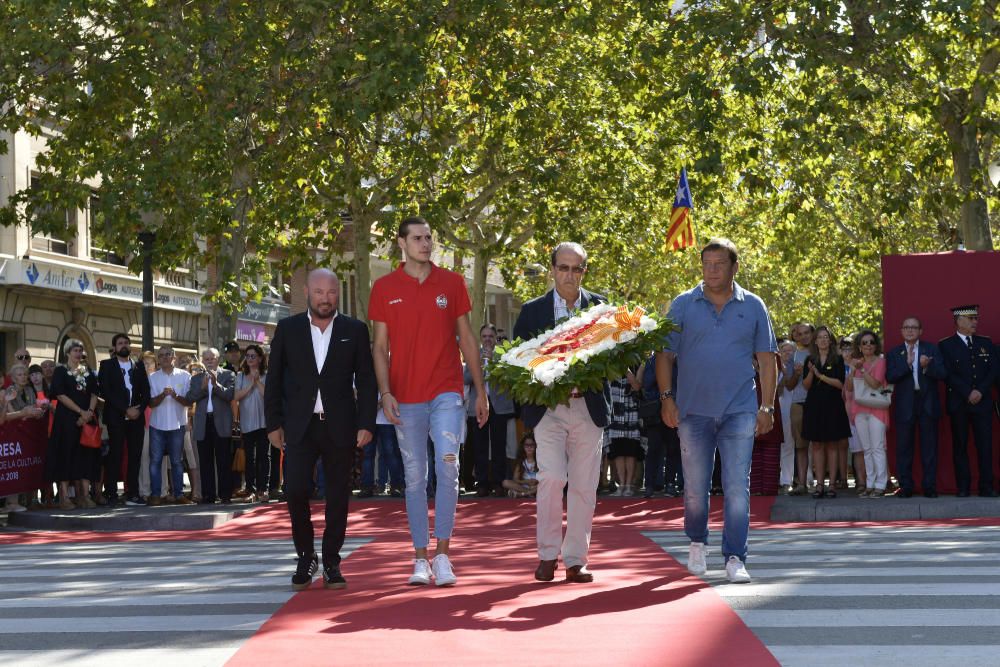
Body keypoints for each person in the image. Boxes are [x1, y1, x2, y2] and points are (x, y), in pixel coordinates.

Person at [370, 217, 488, 587]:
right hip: (405, 396)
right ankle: (420, 557)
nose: (426, 243)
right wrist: (385, 392)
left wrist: (481, 391)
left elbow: (467, 338)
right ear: (401, 243)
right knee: (415, 477)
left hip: (447, 392)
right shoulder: (384, 287)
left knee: (448, 465)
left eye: (429, 237)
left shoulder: (452, 283)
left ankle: (443, 555)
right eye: (418, 238)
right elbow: (379, 346)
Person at [656, 238, 777, 584]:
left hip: (740, 409)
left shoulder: (753, 305)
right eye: (706, 263)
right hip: (693, 412)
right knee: (695, 486)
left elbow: (767, 360)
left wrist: (766, 406)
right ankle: (697, 542)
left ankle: (735, 556)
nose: (711, 270)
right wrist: (667, 397)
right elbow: (664, 355)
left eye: (719, 263)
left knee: (737, 485)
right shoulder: (682, 304)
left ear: (734, 267)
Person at [265, 268, 377, 591]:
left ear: (337, 293)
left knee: (338, 495)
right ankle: (305, 554)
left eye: (331, 292)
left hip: (340, 426)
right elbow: (273, 380)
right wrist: (273, 423)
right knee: (295, 489)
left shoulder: (354, 330)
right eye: (318, 292)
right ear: (306, 292)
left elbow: (366, 381)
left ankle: (331, 559)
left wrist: (366, 422)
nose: (325, 298)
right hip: (299, 426)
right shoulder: (287, 329)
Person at [513, 241, 609, 584]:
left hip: (588, 405)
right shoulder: (532, 312)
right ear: (553, 269)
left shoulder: (601, 308)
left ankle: (575, 560)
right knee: (551, 477)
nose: (570, 275)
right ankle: (547, 555)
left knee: (584, 486)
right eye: (564, 268)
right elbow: (518, 361)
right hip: (548, 409)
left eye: (577, 268)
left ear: (585, 271)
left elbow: (614, 356)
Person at [939, 305, 997, 497]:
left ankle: (986, 486)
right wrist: (967, 392)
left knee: (985, 445)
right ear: (959, 321)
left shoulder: (985, 343)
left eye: (976, 318)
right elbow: (947, 373)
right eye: (971, 318)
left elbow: (994, 370)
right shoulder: (946, 345)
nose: (975, 322)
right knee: (960, 446)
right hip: (959, 403)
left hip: (983, 402)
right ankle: (963, 487)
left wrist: (979, 390)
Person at [885, 318, 947, 497]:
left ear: (921, 330)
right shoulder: (895, 352)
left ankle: (929, 486)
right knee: (904, 448)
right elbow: (890, 376)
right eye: (906, 327)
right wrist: (908, 365)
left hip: (928, 404)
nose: (910, 330)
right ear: (901, 330)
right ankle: (906, 486)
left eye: (914, 327)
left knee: (929, 448)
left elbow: (943, 374)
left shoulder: (932, 349)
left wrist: (927, 367)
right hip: (905, 405)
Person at [46, 339, 100, 510]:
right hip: (66, 420)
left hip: (86, 420)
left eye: (80, 350)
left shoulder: (88, 371)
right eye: (75, 350)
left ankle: (84, 496)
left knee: (85, 456)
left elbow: (94, 393)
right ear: (68, 352)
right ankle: (64, 497)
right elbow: (60, 395)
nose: (78, 353)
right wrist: (80, 412)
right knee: (66, 456)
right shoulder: (61, 371)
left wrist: (88, 413)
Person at [98, 333, 150, 506]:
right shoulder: (106, 365)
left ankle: (132, 493)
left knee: (135, 456)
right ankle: (112, 493)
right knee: (115, 455)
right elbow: (105, 391)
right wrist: (125, 409)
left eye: (126, 342)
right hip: (116, 417)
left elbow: (146, 393)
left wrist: (138, 410)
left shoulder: (139, 366)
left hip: (136, 418)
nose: (124, 345)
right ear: (115, 347)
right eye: (120, 343)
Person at [464, 323, 516, 497]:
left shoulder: (504, 356)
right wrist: (479, 364)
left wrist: (493, 361)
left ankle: (499, 482)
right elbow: (465, 378)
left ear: (495, 338)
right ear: (481, 338)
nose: (487, 340)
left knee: (499, 446)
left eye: (490, 336)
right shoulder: (474, 355)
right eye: (484, 336)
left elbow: (509, 378)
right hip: (478, 406)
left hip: (499, 407)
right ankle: (482, 483)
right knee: (479, 446)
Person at [801, 326, 852, 498]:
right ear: (815, 341)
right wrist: (811, 372)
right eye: (820, 337)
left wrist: (820, 375)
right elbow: (806, 386)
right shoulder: (810, 359)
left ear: (830, 341)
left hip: (833, 406)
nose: (823, 340)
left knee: (832, 444)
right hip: (814, 406)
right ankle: (819, 484)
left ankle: (832, 485)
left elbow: (839, 384)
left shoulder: (837, 359)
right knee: (816, 445)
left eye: (826, 337)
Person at [186, 347, 236, 504]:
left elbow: (229, 395)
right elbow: (189, 399)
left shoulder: (228, 374)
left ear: (218, 359)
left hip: (221, 422)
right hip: (203, 423)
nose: (209, 361)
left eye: (212, 358)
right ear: (202, 360)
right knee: (205, 461)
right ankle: (208, 495)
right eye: (206, 359)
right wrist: (202, 388)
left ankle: (225, 494)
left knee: (223, 460)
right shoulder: (195, 378)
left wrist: (215, 385)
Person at [844, 330, 890, 498]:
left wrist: (861, 370)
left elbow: (876, 384)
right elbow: (849, 388)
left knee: (877, 448)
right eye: (864, 343)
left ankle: (881, 484)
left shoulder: (881, 362)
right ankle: (870, 483)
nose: (868, 345)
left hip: (877, 408)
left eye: (871, 342)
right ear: (859, 347)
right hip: (859, 409)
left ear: (876, 345)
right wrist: (851, 371)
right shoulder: (857, 363)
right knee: (867, 449)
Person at [147, 347, 194, 506]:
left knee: (177, 461)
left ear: (174, 357)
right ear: (158, 359)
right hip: (157, 425)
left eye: (168, 354)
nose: (165, 357)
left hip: (177, 424)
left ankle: (179, 494)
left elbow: (189, 402)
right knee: (155, 461)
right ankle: (155, 495)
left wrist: (175, 395)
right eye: (161, 355)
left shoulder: (185, 376)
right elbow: (150, 403)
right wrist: (162, 395)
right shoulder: (152, 378)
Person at [235, 343, 270, 502]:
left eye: (253, 356)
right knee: (250, 458)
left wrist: (257, 381)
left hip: (264, 423)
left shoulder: (267, 375)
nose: (249, 358)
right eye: (247, 356)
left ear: (260, 358)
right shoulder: (240, 376)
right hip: (247, 423)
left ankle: (263, 489)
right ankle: (250, 489)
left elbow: (268, 396)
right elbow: (237, 396)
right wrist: (251, 384)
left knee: (263, 457)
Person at [783, 322, 814, 494]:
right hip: (799, 402)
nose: (803, 336)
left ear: (812, 333)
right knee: (800, 445)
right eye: (800, 333)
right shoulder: (793, 356)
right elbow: (788, 385)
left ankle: (821, 484)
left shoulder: (822, 352)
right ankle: (801, 484)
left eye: (806, 332)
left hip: (820, 403)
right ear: (795, 336)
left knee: (820, 445)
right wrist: (796, 373)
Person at [607, 369, 643, 497]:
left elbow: (637, 386)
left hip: (631, 417)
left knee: (631, 453)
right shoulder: (612, 365)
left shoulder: (636, 364)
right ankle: (621, 485)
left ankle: (629, 486)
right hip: (616, 418)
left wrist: (626, 369)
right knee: (618, 453)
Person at [502, 432, 539, 497]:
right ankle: (529, 493)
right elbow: (515, 479)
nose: (529, 447)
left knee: (546, 484)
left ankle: (523, 494)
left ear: (536, 446)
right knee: (505, 482)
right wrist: (526, 482)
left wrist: (536, 482)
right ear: (523, 447)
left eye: (532, 445)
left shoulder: (539, 460)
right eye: (527, 445)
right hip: (524, 486)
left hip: (537, 486)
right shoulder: (521, 461)